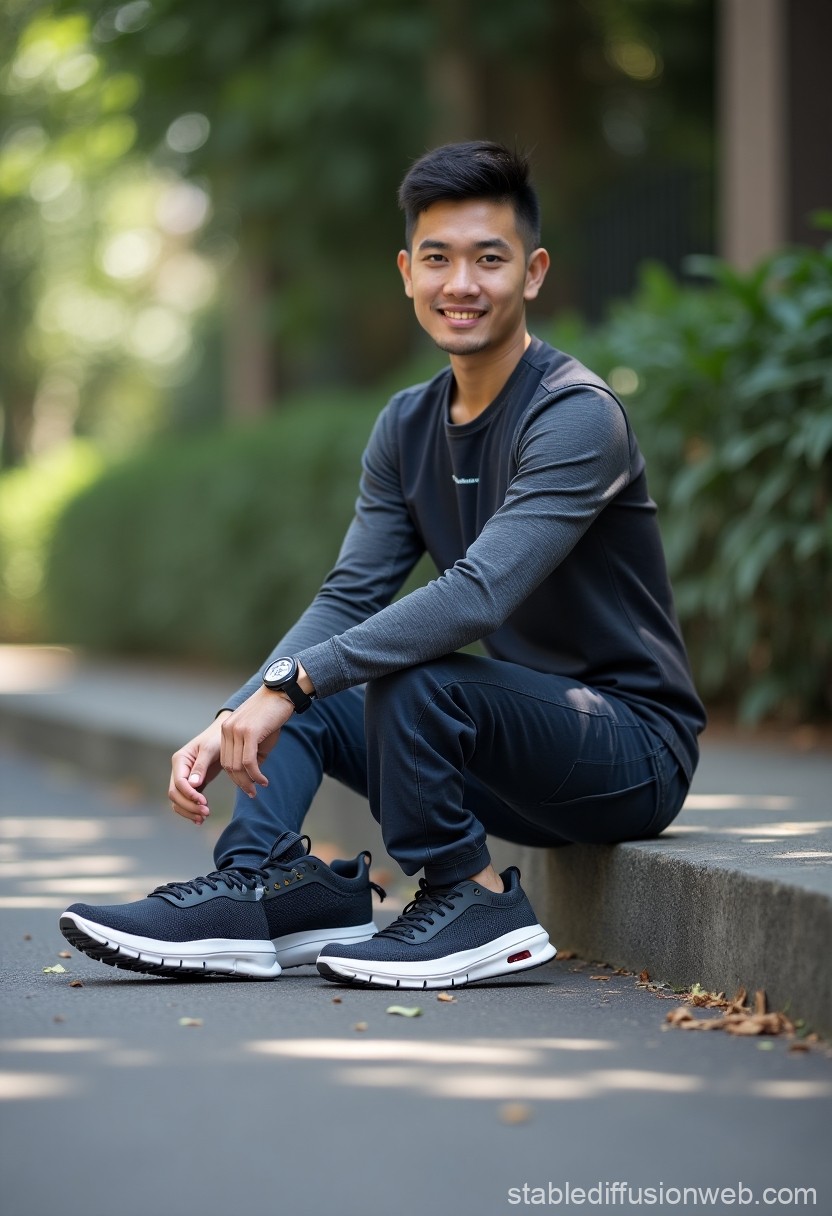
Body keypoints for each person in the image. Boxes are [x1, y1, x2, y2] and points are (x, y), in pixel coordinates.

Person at [60, 140, 706, 989]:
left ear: (535, 272)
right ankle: (265, 885)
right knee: (310, 696)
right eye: (438, 259)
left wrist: (289, 683)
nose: (461, 284)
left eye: (489, 259)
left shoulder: (575, 415)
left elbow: (478, 596)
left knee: (399, 674)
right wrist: (243, 710)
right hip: (504, 749)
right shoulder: (406, 427)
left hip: (629, 750)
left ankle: (471, 898)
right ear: (407, 272)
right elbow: (348, 597)